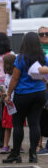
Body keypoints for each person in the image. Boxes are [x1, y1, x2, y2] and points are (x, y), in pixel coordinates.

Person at [3, 32, 47, 163]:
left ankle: (16, 153)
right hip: (39, 93)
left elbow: (15, 78)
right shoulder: (43, 57)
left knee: (17, 124)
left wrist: (8, 94)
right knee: (34, 123)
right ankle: (33, 154)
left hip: (23, 94)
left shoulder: (21, 58)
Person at [0, 54, 17, 154]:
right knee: (10, 126)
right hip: (9, 104)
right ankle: (7, 145)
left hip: (12, 104)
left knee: (10, 126)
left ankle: (9, 145)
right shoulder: (8, 75)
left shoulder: (13, 75)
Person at [37, 26, 48, 154]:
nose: (44, 35)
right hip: (39, 85)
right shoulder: (36, 51)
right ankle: (38, 145)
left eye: (46, 33)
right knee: (38, 115)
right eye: (41, 34)